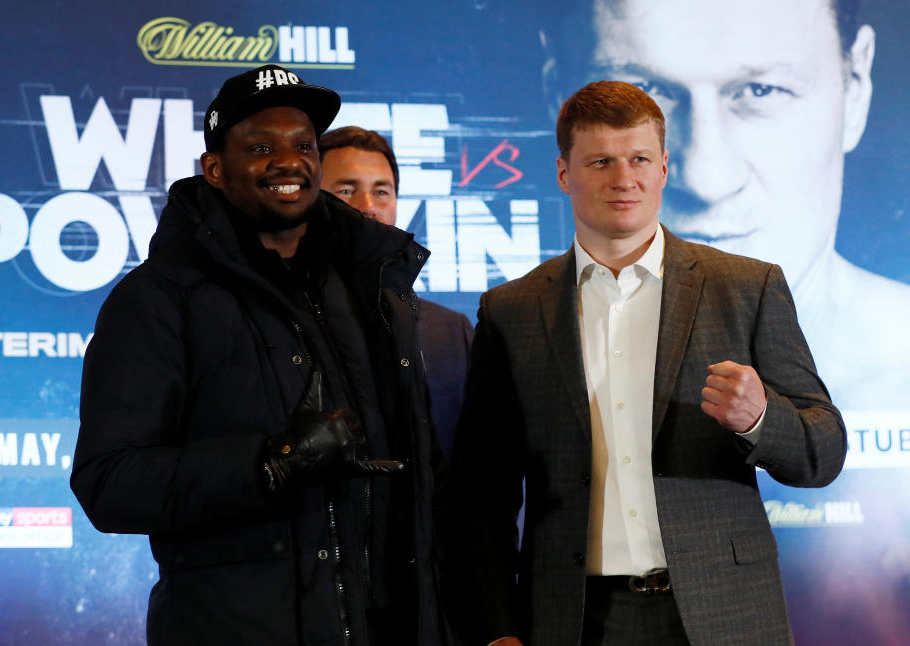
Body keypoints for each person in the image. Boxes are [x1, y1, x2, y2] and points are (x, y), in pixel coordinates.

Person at [445, 81, 846, 646]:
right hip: (573, 619)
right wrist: (498, 629)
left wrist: (761, 417)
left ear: (663, 167)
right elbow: (483, 493)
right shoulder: (511, 310)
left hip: (724, 614)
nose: (623, 178)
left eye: (638, 158)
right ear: (564, 173)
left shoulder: (746, 286)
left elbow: (823, 452)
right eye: (600, 161)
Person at [71, 64, 445, 646]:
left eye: (303, 145)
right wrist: (272, 462)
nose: (288, 161)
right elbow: (108, 483)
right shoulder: (156, 299)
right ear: (215, 169)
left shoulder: (373, 290)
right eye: (261, 147)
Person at [540, 0, 910, 410]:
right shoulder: (515, 324)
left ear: (855, 88)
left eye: (761, 90)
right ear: (560, 106)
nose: (706, 179)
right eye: (642, 94)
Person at [319, 126, 474, 460]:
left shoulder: (450, 332)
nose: (368, 206)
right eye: (346, 190)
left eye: (382, 192)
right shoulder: (282, 320)